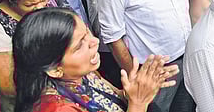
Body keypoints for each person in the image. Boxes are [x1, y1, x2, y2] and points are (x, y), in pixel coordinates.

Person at [13, 7, 179, 112]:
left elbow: (117, 97)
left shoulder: (82, 75)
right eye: (79, 46)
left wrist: (137, 90)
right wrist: (138, 104)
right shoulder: (55, 108)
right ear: (55, 69)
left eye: (87, 33)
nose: (95, 42)